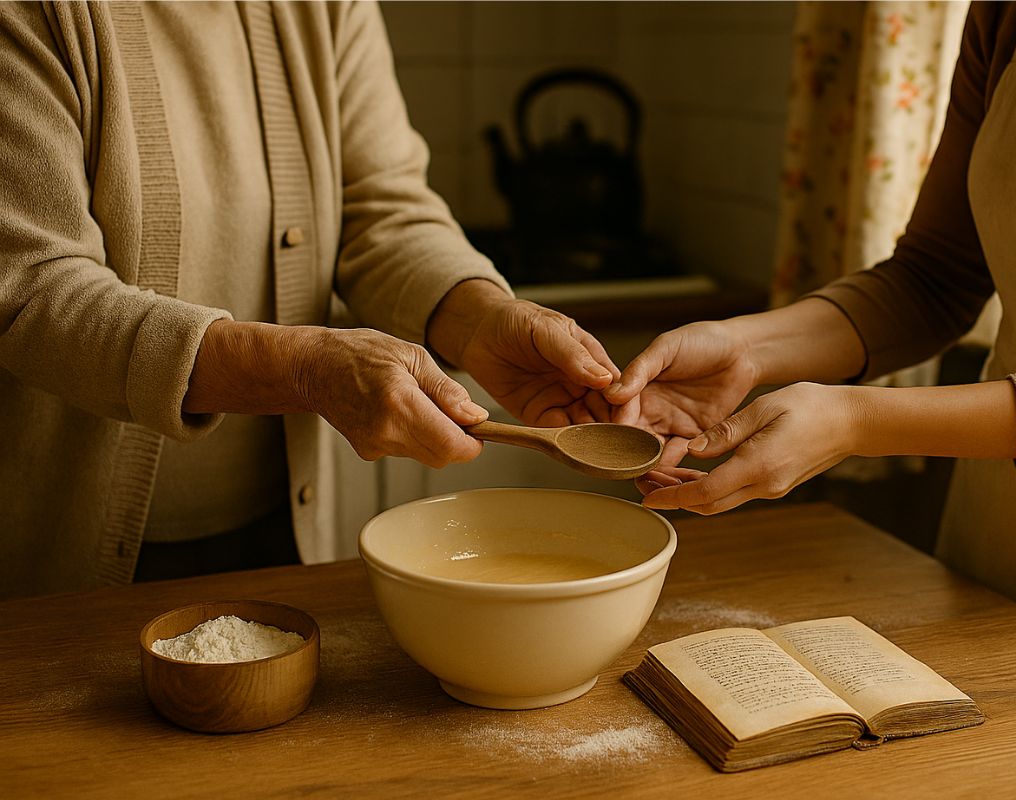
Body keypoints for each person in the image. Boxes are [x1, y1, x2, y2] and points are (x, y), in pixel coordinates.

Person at [606, 2, 1016, 697]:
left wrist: (858, 422)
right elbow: (935, 277)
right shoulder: (1010, 14)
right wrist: (745, 348)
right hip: (990, 554)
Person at [0, 2, 622, 597]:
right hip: (60, 560)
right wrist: (303, 370)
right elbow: (34, 284)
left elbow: (383, 210)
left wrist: (479, 315)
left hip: (286, 533)